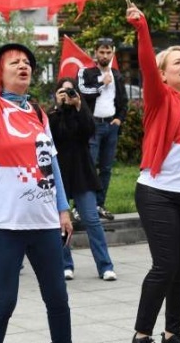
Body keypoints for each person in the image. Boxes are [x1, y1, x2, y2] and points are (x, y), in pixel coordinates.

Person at [0, 7, 73, 343]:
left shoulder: (39, 113)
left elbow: (51, 163)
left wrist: (63, 210)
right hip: (3, 225)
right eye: (14, 62)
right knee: (4, 302)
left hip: (45, 223)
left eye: (27, 63)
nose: (23, 65)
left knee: (58, 300)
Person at [127, 6, 180, 343]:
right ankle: (142, 333)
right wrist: (142, 29)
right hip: (158, 193)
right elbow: (147, 64)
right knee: (165, 266)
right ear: (162, 74)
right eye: (177, 61)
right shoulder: (160, 99)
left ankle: (172, 331)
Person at [48, 77, 117, 282]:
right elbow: (53, 135)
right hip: (60, 172)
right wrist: (58, 107)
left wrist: (79, 105)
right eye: (63, 91)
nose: (68, 95)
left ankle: (105, 266)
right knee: (60, 222)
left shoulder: (82, 111)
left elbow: (89, 131)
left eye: (71, 92)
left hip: (82, 172)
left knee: (92, 220)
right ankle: (65, 265)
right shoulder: (52, 114)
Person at [78, 36, 129, 221]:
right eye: (102, 52)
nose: (105, 55)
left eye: (108, 52)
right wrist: (101, 83)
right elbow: (83, 93)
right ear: (95, 53)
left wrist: (119, 120)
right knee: (88, 166)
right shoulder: (87, 73)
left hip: (111, 126)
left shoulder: (117, 74)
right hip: (93, 126)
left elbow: (124, 101)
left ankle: (99, 204)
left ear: (113, 53)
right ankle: (82, 207)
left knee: (106, 168)